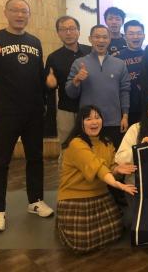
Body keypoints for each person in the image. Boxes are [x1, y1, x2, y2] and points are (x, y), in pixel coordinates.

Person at [0, 0, 53, 233]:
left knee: (35, 159)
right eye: (15, 10)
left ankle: (35, 201)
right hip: (6, 112)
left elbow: (38, 77)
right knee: (0, 162)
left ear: (29, 15)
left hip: (34, 112)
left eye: (24, 11)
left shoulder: (35, 42)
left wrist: (46, 92)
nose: (19, 15)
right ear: (5, 12)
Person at [57, 105, 137, 253]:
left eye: (97, 117)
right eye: (88, 119)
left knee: (116, 232)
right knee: (82, 243)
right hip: (75, 198)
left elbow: (111, 167)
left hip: (100, 195)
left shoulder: (106, 141)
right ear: (80, 123)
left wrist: (116, 169)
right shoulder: (76, 143)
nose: (94, 122)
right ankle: (62, 224)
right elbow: (96, 166)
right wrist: (117, 184)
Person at [66, 24, 130, 148]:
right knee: (90, 160)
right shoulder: (79, 63)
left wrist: (125, 116)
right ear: (90, 39)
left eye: (105, 37)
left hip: (114, 121)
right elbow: (70, 93)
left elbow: (125, 91)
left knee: (113, 158)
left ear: (109, 39)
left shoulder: (120, 64)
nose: (101, 40)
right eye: (97, 37)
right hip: (89, 122)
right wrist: (76, 80)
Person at [45, 16, 92, 149]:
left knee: (91, 146)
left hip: (91, 109)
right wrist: (49, 84)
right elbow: (47, 87)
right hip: (67, 110)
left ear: (79, 31)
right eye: (63, 29)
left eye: (72, 28)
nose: (68, 33)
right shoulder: (53, 57)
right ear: (58, 33)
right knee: (67, 147)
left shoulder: (91, 51)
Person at [117, 20, 146, 125]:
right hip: (124, 110)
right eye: (131, 34)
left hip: (146, 108)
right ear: (125, 37)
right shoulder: (116, 57)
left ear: (144, 36)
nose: (135, 37)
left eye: (139, 33)